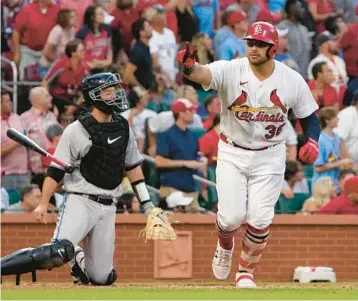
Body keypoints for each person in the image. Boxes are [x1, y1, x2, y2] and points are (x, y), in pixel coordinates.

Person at [177, 21, 321, 288]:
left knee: (259, 218)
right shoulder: (232, 69)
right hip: (232, 150)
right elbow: (202, 74)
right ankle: (225, 244)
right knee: (230, 217)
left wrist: (312, 141)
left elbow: (310, 118)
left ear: (273, 49)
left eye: (260, 44)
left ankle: (245, 271)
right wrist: (188, 67)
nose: (253, 48)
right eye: (251, 42)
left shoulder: (291, 79)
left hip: (271, 154)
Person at [0, 72, 161, 286]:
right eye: (107, 90)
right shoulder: (76, 130)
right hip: (80, 200)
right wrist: (42, 204)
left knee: (103, 278)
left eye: (114, 89)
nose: (114, 94)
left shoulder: (123, 127)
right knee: (58, 251)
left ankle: (79, 260)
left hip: (108, 205)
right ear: (93, 96)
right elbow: (55, 171)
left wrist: (147, 204)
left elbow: (132, 167)